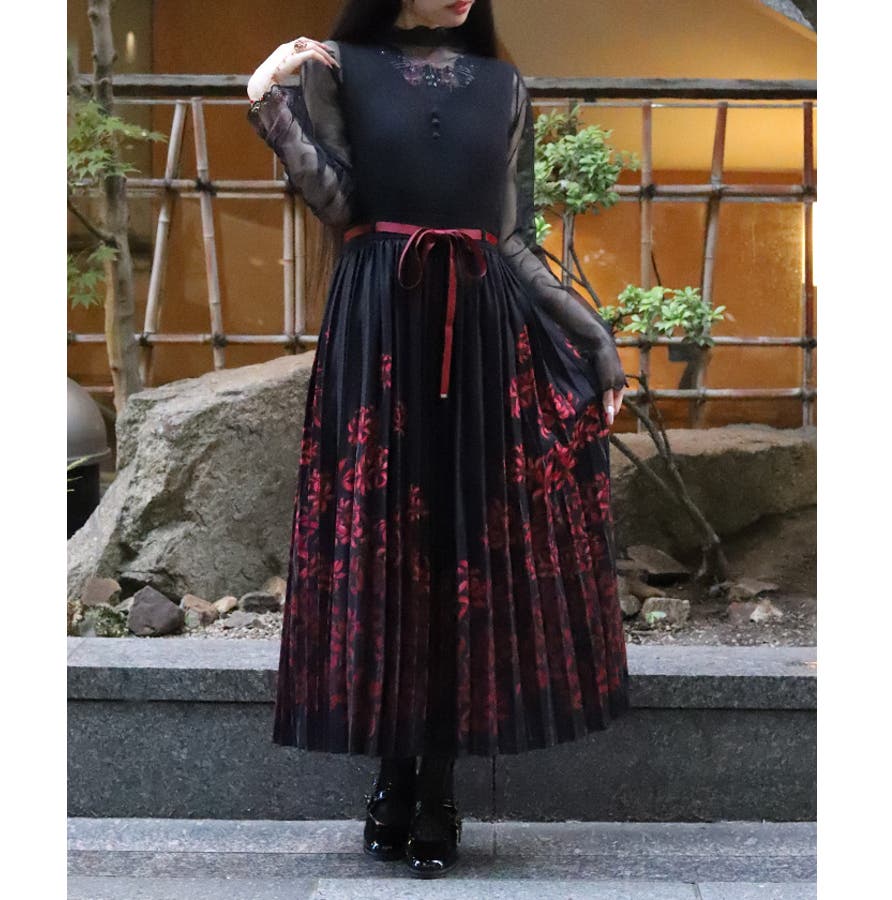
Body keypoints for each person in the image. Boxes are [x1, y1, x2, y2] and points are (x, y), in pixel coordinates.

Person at [246, 0, 630, 879]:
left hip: (480, 333)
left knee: (464, 553)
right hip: (378, 326)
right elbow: (339, 202)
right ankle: (391, 772)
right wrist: (267, 99)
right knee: (387, 551)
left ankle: (439, 786)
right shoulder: (336, 68)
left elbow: (512, 242)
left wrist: (597, 340)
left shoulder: (502, 84)